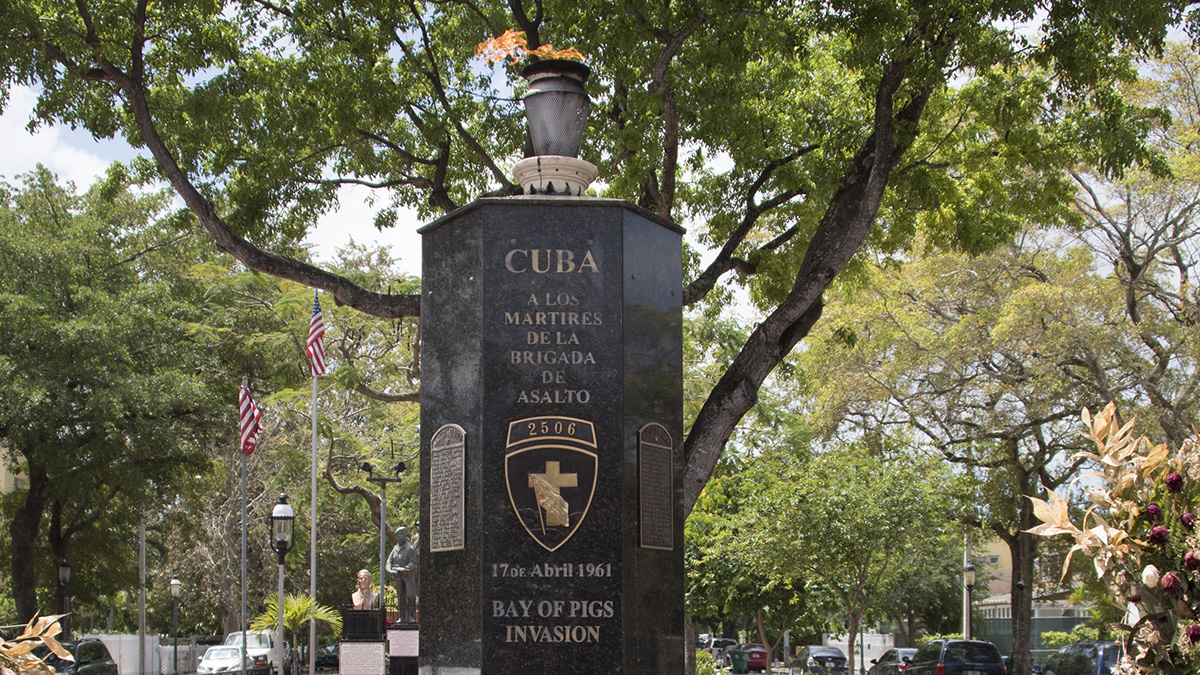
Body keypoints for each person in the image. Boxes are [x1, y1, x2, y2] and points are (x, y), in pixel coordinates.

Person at [385, 527, 419, 622]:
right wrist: (389, 570)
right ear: (396, 536)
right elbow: (389, 561)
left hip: (408, 576)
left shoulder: (410, 548)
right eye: (399, 534)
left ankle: (411, 617)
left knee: (411, 595)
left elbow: (413, 562)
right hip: (398, 576)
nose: (401, 536)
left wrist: (407, 568)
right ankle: (402, 617)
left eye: (403, 534)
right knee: (400, 596)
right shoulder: (395, 548)